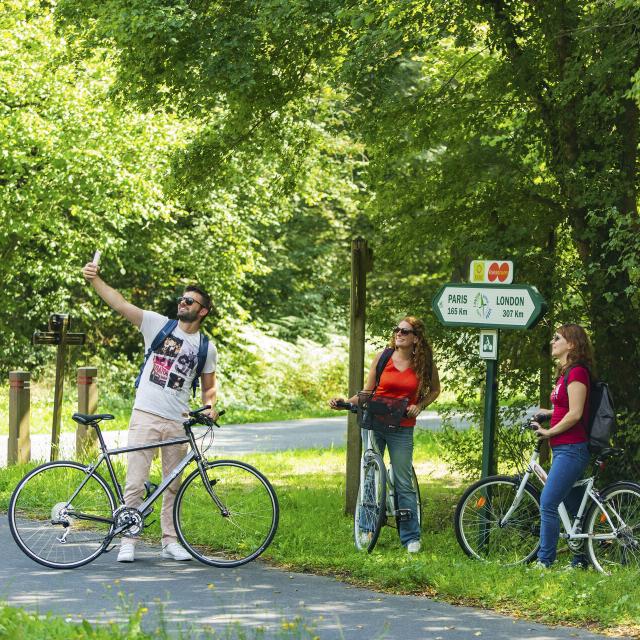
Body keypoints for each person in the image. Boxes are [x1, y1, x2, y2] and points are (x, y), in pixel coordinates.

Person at [82, 260, 218, 563]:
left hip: (178, 422)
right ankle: (128, 540)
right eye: (181, 299)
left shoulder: (206, 347)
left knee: (173, 485)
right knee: (135, 481)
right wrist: (95, 281)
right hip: (146, 413)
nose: (181, 303)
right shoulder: (159, 324)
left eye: (189, 301)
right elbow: (121, 304)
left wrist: (210, 408)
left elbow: (209, 387)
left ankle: (170, 541)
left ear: (203, 310)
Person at [330, 316, 440, 553]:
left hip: (402, 426)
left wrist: (419, 405)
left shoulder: (424, 362)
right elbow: (368, 392)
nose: (399, 333)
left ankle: (411, 536)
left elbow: (435, 390)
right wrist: (345, 403)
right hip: (374, 421)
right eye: (397, 330)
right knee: (370, 474)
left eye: (405, 331)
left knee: (402, 480)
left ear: (416, 338)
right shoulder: (383, 357)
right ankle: (367, 527)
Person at [531, 323, 593, 569]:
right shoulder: (565, 372)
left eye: (557, 338)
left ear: (572, 344)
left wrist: (549, 432)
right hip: (563, 448)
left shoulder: (578, 372)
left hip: (572, 447)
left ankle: (544, 560)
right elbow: (563, 408)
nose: (552, 342)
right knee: (571, 505)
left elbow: (576, 414)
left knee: (548, 502)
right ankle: (580, 559)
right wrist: (547, 413)